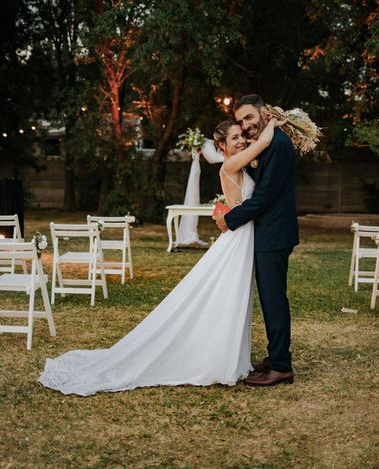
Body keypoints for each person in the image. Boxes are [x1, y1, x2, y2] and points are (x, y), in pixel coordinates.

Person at [39, 118, 283, 396]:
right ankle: (217, 359)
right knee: (226, 297)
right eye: (235, 138)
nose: (241, 141)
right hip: (239, 239)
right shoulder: (230, 165)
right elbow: (263, 143)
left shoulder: (238, 162)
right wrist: (274, 122)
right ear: (221, 145)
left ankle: (230, 357)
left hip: (243, 235)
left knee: (236, 298)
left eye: (242, 136)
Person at [215, 94, 299, 387]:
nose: (246, 125)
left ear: (264, 113)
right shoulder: (269, 140)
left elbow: (263, 197)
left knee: (274, 300)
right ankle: (275, 356)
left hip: (273, 233)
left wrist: (230, 219)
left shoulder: (276, 144)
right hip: (267, 233)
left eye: (250, 117)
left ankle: (281, 366)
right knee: (269, 298)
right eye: (240, 121)